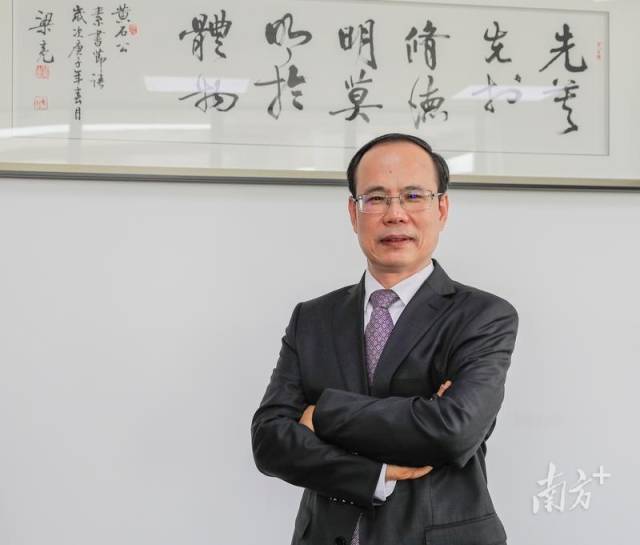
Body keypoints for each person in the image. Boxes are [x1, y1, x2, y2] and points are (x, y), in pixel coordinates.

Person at [251, 133, 519, 545]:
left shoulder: (483, 316)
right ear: (353, 212)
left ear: (441, 208)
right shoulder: (313, 318)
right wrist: (374, 472)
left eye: (413, 196)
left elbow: (453, 430)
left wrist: (321, 415)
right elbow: (270, 441)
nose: (395, 214)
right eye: (376, 198)